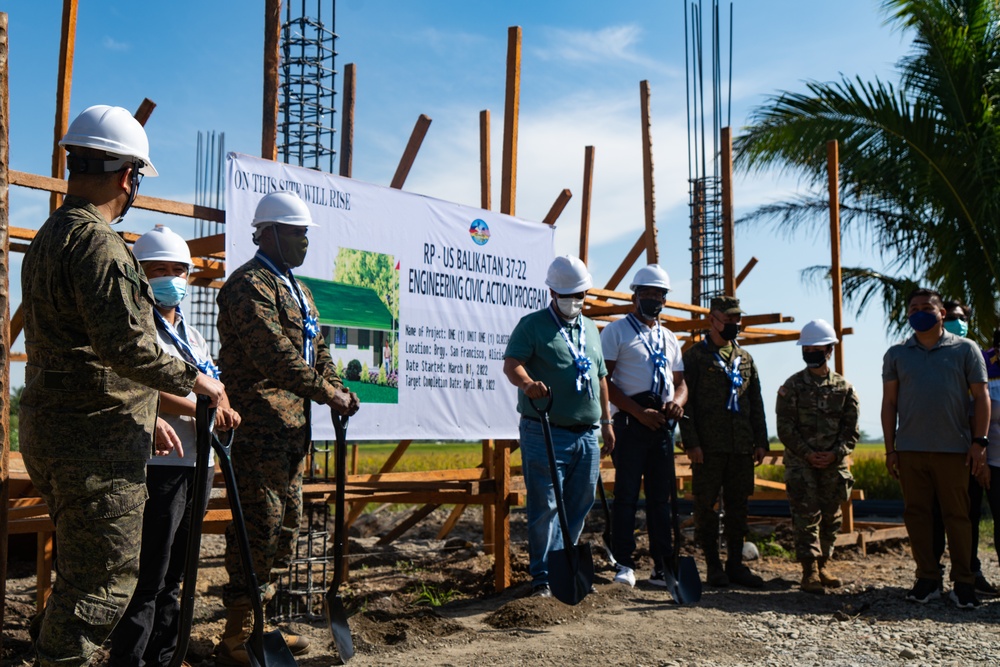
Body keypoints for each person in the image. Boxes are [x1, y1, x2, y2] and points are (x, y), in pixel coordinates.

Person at [19, 105, 225, 667]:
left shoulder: (49, 237)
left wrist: (141, 409)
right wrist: (197, 381)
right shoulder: (98, 242)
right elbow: (127, 346)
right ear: (128, 175)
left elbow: (83, 347)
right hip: (94, 444)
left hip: (60, 432)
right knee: (100, 591)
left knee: (79, 579)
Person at [215, 190, 360, 663]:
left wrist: (336, 388)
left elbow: (319, 352)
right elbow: (272, 354)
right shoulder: (248, 285)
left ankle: (263, 622)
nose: (305, 242)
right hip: (255, 428)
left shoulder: (298, 288)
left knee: (284, 528)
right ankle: (238, 635)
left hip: (291, 432)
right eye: (298, 233)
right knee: (256, 527)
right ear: (271, 233)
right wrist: (325, 392)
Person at [109, 226, 241, 666]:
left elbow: (210, 385)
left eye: (177, 269)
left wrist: (223, 406)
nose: (170, 278)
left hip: (196, 463)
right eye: (158, 269)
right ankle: (132, 659)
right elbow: (134, 379)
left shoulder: (194, 333)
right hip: (159, 464)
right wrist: (195, 403)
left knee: (178, 574)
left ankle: (166, 656)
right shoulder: (136, 328)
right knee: (149, 574)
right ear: (139, 275)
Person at [503, 255, 615, 598]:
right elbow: (511, 365)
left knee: (580, 502)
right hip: (545, 429)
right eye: (568, 294)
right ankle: (543, 576)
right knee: (546, 505)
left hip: (587, 433)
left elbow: (600, 377)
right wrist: (528, 385)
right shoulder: (533, 325)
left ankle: (564, 566)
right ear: (552, 292)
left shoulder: (592, 329)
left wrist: (608, 422)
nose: (575, 300)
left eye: (580, 293)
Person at [882, 288, 990, 608]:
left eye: (927, 306)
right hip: (911, 451)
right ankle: (927, 578)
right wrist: (891, 449)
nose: (919, 311)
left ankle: (964, 582)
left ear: (942, 312)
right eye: (913, 307)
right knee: (917, 516)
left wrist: (979, 442)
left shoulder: (966, 350)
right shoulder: (897, 354)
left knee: (958, 516)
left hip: (954, 450)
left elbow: (981, 398)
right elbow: (889, 403)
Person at [600, 264, 686, 588]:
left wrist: (678, 401)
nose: (653, 299)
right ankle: (624, 562)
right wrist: (638, 413)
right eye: (646, 293)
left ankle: (662, 564)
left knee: (660, 499)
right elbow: (604, 381)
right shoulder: (616, 332)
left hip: (661, 425)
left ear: (665, 299)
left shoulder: (668, 337)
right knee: (626, 496)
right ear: (634, 295)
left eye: (658, 294)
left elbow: (681, 382)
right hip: (630, 423)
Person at [680, 295, 768, 588]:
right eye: (728, 319)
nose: (734, 324)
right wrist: (691, 442)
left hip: (741, 447)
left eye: (737, 319)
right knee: (706, 507)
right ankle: (714, 567)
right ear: (712, 320)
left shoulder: (745, 359)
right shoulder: (694, 357)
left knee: (738, 507)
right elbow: (685, 404)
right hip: (708, 447)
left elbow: (755, 401)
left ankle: (736, 564)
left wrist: (760, 441)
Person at [775, 319, 859, 594]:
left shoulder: (845, 389)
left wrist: (834, 454)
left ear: (829, 350)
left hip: (833, 464)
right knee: (806, 516)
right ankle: (808, 571)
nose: (810, 352)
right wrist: (809, 454)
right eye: (806, 347)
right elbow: (785, 428)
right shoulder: (792, 387)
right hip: (802, 464)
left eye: (816, 348)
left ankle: (824, 565)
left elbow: (851, 431)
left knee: (832, 516)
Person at [929, 301, 998, 596]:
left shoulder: (972, 354)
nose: (959, 323)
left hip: (990, 456)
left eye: (962, 318)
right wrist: (979, 452)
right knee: (964, 518)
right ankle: (965, 574)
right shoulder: (977, 359)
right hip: (970, 454)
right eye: (953, 318)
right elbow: (968, 410)